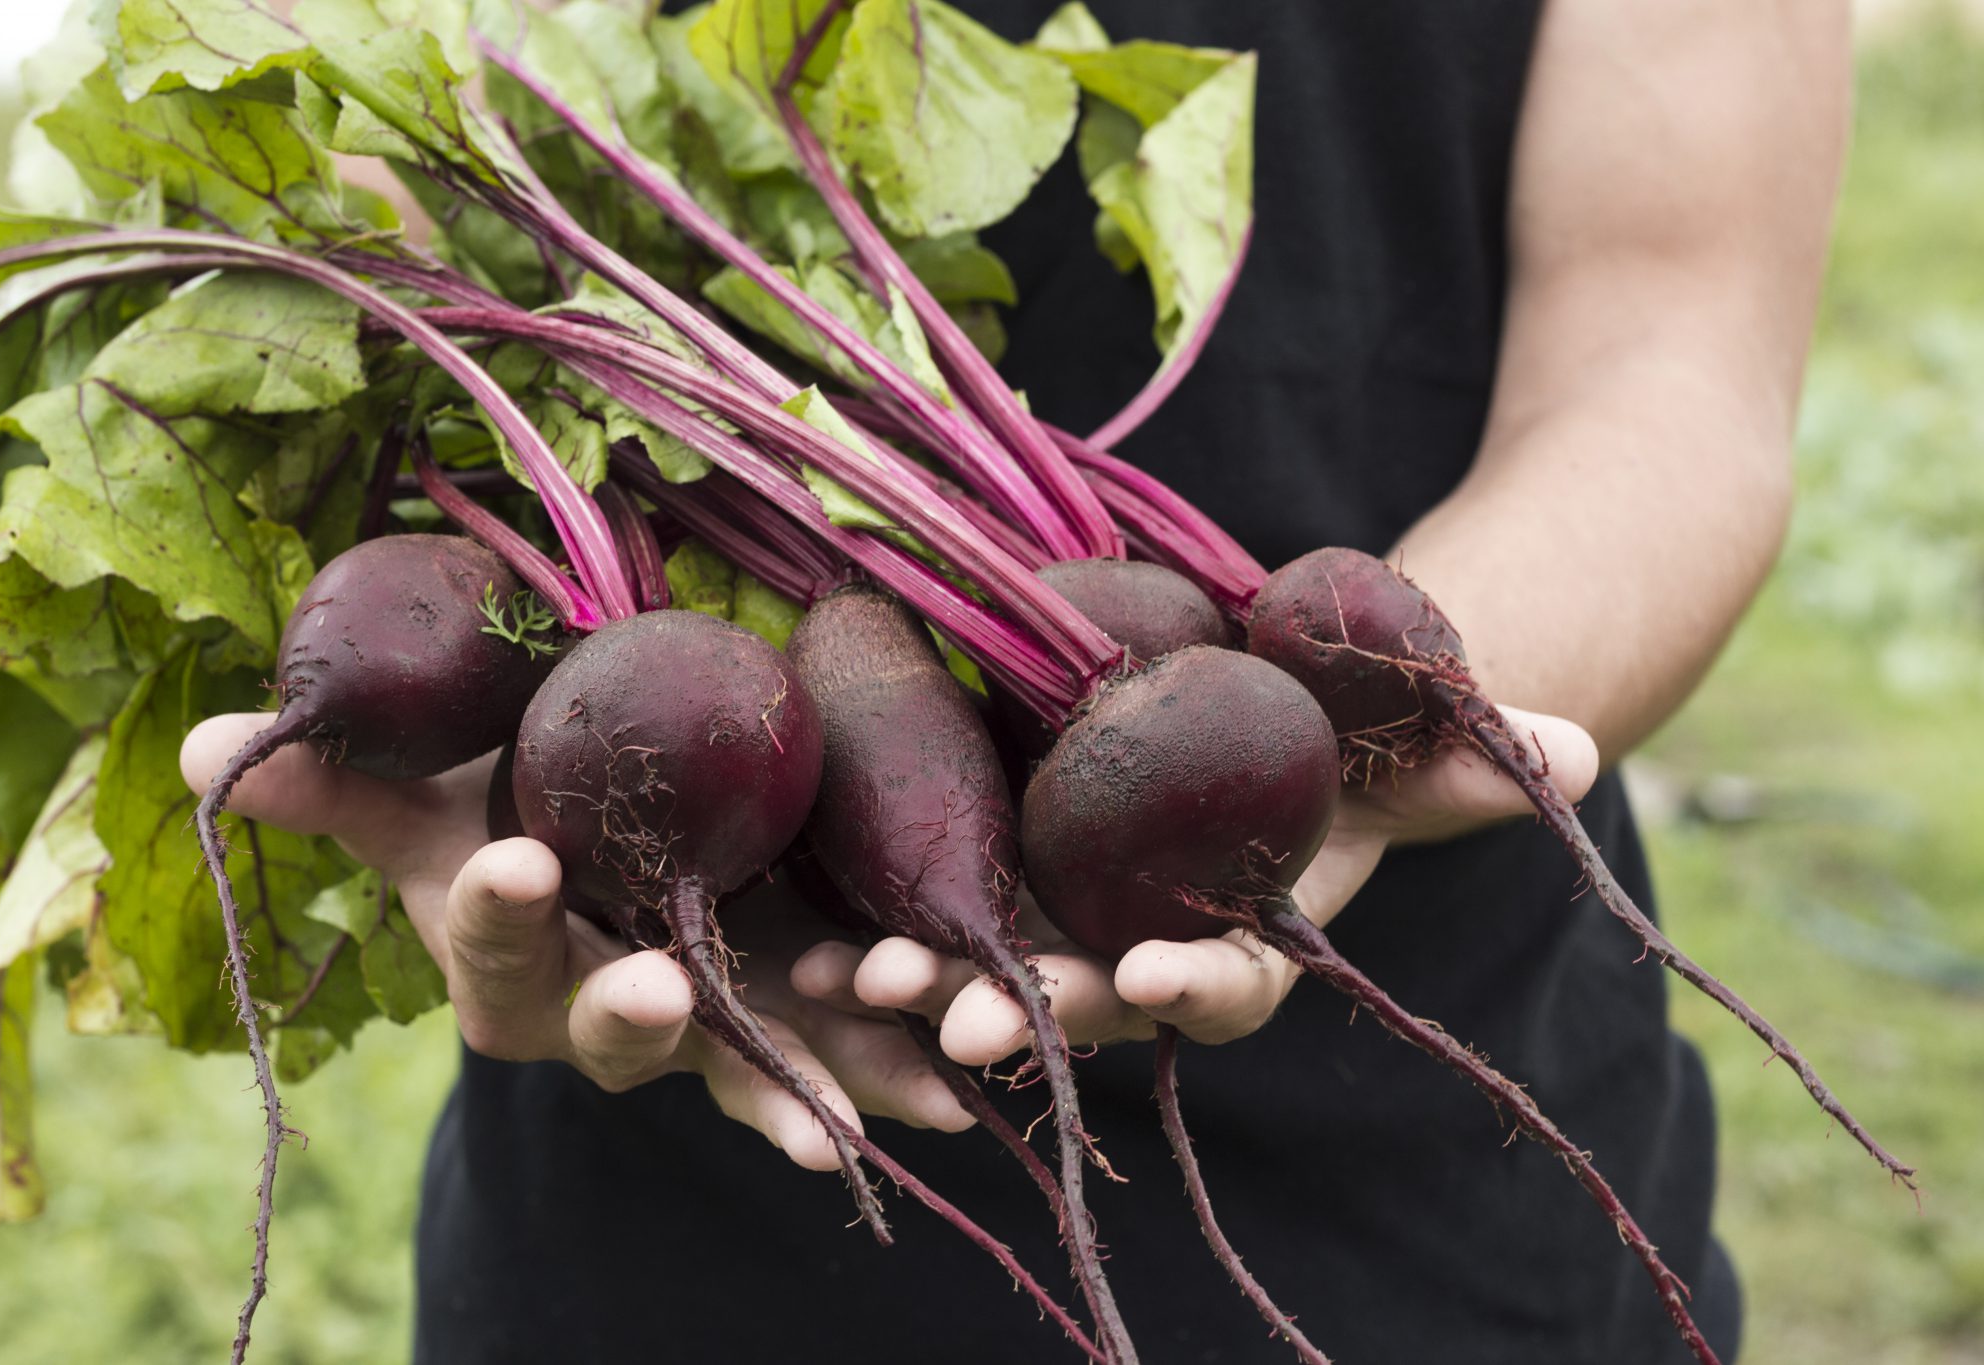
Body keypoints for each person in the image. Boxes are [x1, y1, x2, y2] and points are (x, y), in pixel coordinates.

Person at [181, 1, 1849, 1359]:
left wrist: (1393, 726)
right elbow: (393, 130)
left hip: (1444, 1177)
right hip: (688, 1169)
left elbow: (1674, 352)